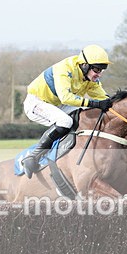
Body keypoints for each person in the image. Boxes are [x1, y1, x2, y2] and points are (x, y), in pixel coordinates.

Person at [21, 44, 114, 178]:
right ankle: (33, 157)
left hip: (56, 104)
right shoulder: (64, 69)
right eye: (97, 69)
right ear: (85, 65)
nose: (98, 74)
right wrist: (94, 103)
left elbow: (103, 98)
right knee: (65, 121)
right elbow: (66, 97)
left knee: (87, 112)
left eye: (102, 70)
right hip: (37, 103)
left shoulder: (90, 78)